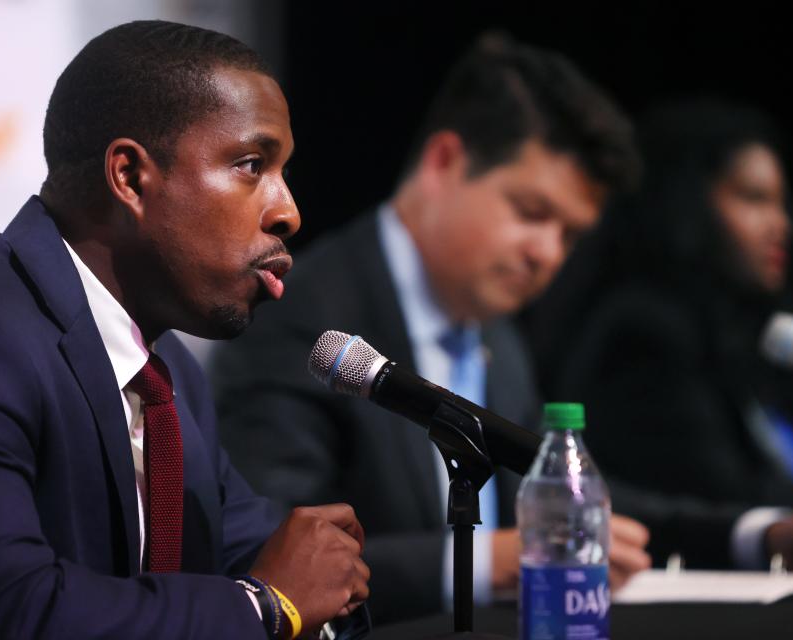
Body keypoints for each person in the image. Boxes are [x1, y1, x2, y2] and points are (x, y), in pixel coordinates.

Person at [0, 21, 369, 639]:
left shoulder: (170, 384)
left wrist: (326, 583)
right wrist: (266, 608)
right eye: (252, 165)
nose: (288, 211)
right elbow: (6, 609)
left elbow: (272, 567)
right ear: (131, 178)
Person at [209, 36, 650, 624]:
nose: (548, 253)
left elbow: (563, 481)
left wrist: (757, 535)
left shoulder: (499, 335)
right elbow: (265, 554)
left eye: (570, 235)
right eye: (532, 212)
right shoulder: (302, 317)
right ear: (444, 162)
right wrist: (480, 562)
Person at [531, 100, 793, 569]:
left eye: (782, 202)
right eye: (754, 198)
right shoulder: (644, 334)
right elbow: (722, 493)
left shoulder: (749, 337)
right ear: (688, 204)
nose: (780, 224)